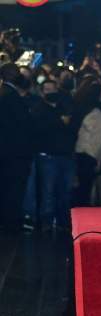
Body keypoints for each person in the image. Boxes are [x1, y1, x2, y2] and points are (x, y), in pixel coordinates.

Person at [30, 79, 77, 230]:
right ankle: (47, 222)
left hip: (66, 155)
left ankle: (63, 220)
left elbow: (72, 129)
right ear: (42, 92)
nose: (50, 92)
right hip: (48, 156)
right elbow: (41, 131)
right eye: (47, 90)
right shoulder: (39, 109)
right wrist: (60, 122)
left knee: (65, 191)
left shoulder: (65, 107)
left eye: (52, 89)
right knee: (48, 191)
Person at [0, 63, 34, 233]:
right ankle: (11, 222)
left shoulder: (5, 93)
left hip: (7, 152)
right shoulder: (11, 96)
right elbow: (23, 125)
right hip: (15, 153)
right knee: (13, 189)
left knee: (6, 188)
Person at [72, 79, 101, 207]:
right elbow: (100, 137)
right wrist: (99, 158)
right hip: (89, 155)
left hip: (78, 153)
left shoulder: (78, 107)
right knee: (85, 190)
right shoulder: (95, 113)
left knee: (78, 190)